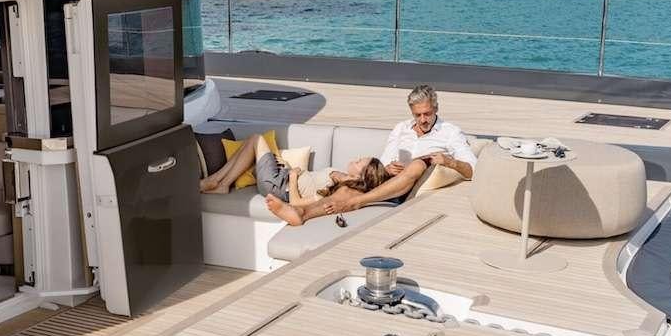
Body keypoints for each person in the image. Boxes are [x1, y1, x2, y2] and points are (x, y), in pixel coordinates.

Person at [277, 83, 476, 224]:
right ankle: (302, 212)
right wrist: (389, 167)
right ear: (411, 111)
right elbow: (385, 160)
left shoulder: (450, 132)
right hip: (387, 182)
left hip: (409, 187)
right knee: (346, 189)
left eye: (428, 114)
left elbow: (472, 170)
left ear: (436, 108)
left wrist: (449, 162)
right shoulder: (401, 128)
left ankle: (356, 203)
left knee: (417, 164)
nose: (423, 120)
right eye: (418, 115)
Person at [200, 133, 388, 208]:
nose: (355, 160)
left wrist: (291, 177)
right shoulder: (341, 178)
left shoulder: (339, 190)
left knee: (257, 139)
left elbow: (297, 203)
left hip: (278, 185)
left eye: (359, 162)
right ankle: (220, 182)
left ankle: (218, 182)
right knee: (251, 142)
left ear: (360, 175)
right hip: (281, 178)